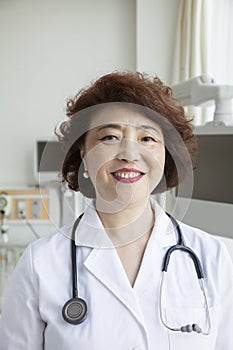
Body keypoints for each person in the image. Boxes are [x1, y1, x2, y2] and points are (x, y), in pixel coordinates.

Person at [0, 72, 233, 349]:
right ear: (83, 154)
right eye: (110, 137)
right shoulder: (40, 263)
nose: (129, 153)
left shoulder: (212, 257)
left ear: (166, 155)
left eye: (147, 138)